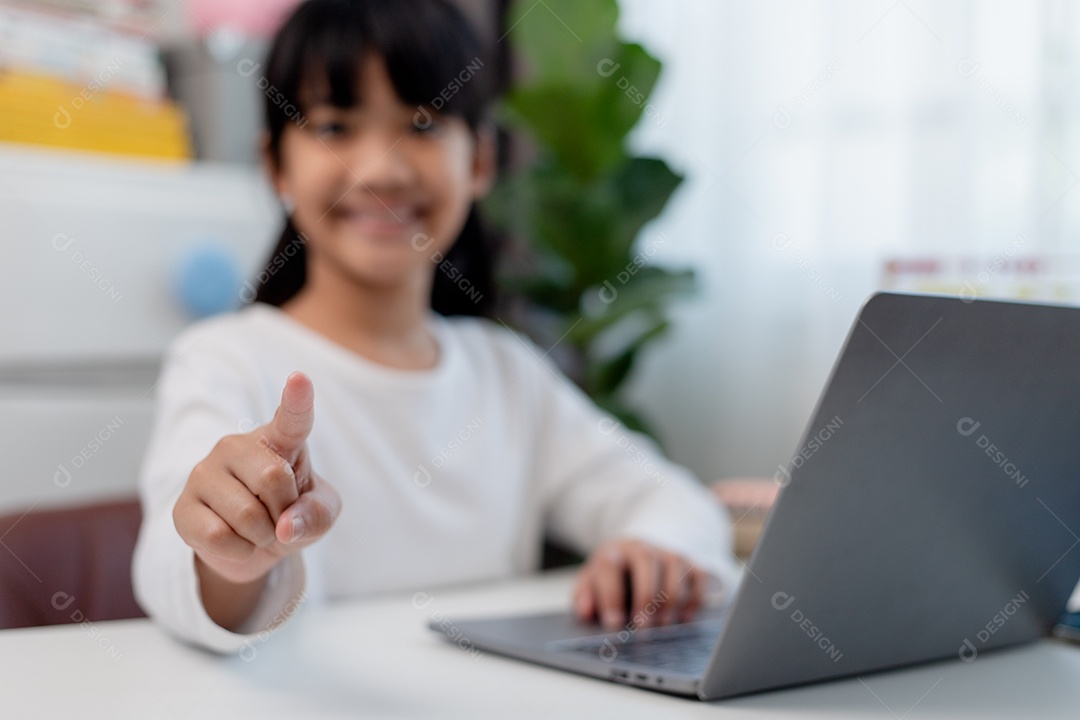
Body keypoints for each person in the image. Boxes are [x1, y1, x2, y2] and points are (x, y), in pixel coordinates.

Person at [132, 0, 737, 653]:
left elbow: (678, 505)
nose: (381, 171)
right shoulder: (224, 361)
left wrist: (656, 548)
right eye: (335, 127)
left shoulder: (507, 373)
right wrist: (233, 559)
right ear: (276, 164)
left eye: (421, 125)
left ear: (479, 162)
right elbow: (171, 565)